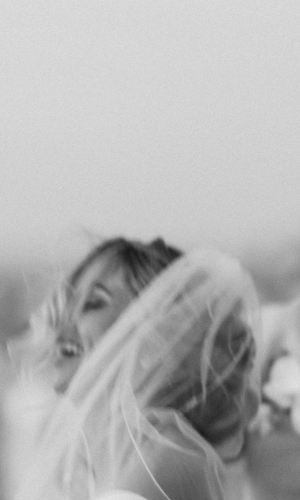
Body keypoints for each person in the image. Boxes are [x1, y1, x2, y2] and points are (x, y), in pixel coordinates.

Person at [13, 248, 260, 500]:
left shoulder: (165, 463)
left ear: (157, 337)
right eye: (68, 304)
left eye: (94, 302)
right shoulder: (122, 462)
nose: (65, 321)